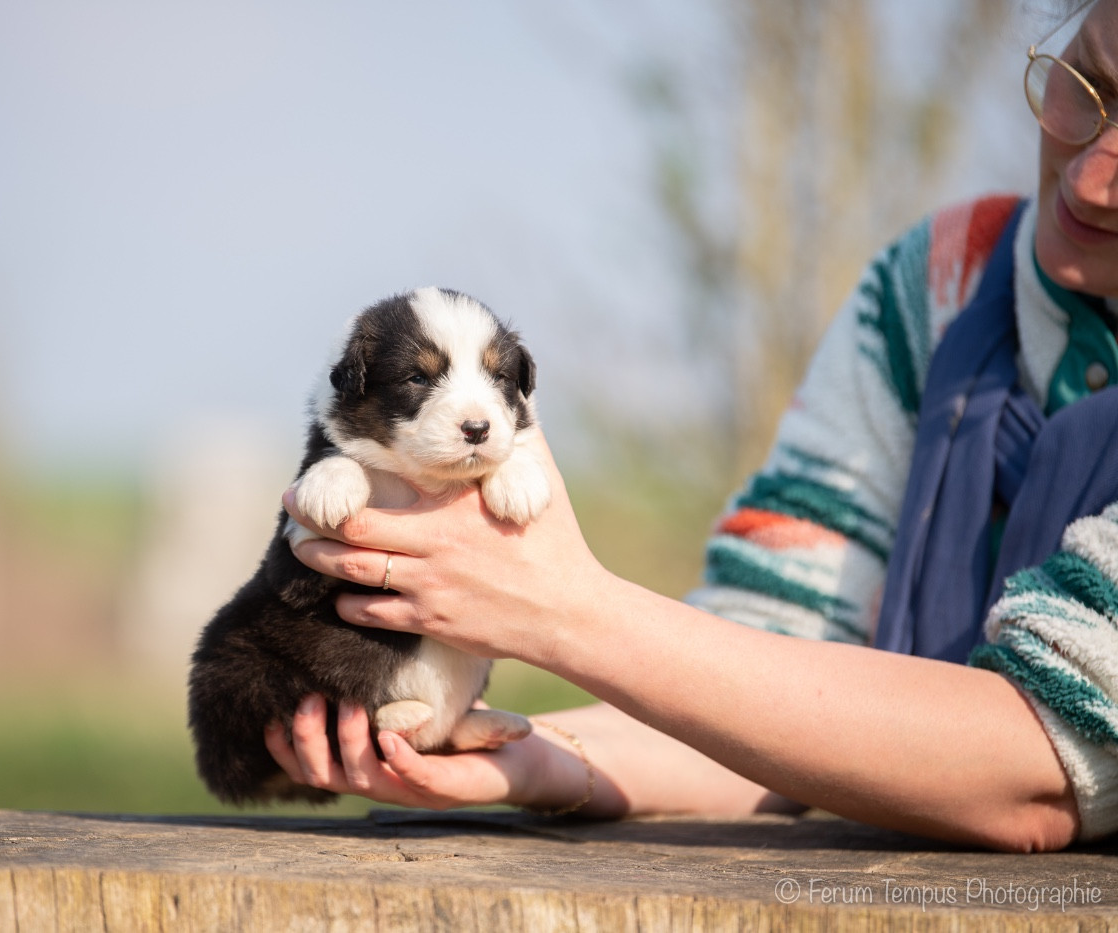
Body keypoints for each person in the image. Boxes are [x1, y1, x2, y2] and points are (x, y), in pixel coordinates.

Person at [263, 0, 1118, 852]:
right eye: (1091, 83)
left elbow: (1048, 759)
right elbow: (762, 673)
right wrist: (538, 759)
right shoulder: (935, 284)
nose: (1088, 174)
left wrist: (566, 610)